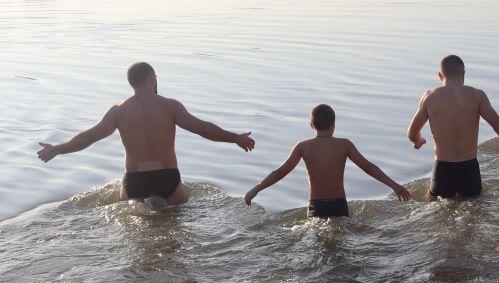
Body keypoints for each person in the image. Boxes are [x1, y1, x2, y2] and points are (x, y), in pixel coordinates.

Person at [36, 62, 254, 205]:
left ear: (132, 83)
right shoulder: (170, 106)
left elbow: (88, 137)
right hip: (167, 178)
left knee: (136, 223)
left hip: (134, 181)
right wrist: (235, 138)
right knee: (172, 226)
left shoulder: (119, 111)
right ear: (153, 78)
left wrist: (56, 149)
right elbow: (203, 129)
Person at [407, 55, 499, 200]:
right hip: (469, 169)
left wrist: (417, 141)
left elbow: (412, 131)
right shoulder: (477, 96)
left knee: (435, 206)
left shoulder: (430, 97)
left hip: (443, 169)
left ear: (441, 76)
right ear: (463, 74)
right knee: (474, 210)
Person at [244, 104, 410, 218]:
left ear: (311, 124)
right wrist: (395, 186)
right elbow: (368, 167)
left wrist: (257, 188)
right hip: (339, 205)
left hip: (316, 206)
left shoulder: (303, 147)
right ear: (334, 124)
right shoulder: (344, 145)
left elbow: (280, 172)